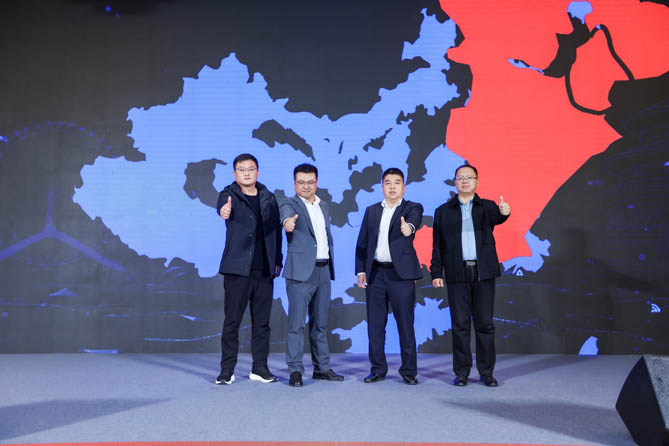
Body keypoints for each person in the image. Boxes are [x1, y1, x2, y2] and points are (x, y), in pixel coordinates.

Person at [430, 164, 510, 387]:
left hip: (483, 272)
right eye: (460, 178)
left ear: (477, 182)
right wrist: (436, 272)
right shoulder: (443, 211)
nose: (464, 181)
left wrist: (505, 211)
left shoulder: (487, 207)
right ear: (455, 182)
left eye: (469, 177)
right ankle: (462, 372)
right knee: (460, 326)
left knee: (485, 324)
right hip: (457, 273)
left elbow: (499, 217)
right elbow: (437, 245)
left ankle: (486, 373)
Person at [215, 153, 283, 385]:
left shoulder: (269, 197)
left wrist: (277, 260)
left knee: (262, 323)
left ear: (257, 172)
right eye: (241, 169)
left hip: (264, 270)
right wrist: (224, 211)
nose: (246, 173)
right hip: (237, 270)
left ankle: (259, 368)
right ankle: (227, 370)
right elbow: (222, 208)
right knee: (232, 322)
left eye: (250, 169)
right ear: (235, 173)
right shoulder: (228, 194)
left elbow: (276, 231)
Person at [355, 168, 423, 385]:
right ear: (382, 186)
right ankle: (377, 369)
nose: (392, 186)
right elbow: (362, 243)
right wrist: (361, 270)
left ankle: (409, 371)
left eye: (397, 182)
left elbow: (414, 221)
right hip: (375, 273)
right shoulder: (372, 210)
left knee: (405, 324)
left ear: (403, 187)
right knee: (375, 325)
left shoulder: (412, 208)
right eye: (388, 182)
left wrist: (409, 228)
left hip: (400, 275)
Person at [280, 163, 344, 387]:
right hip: (300, 273)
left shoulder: (323, 205)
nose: (306, 186)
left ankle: (322, 368)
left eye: (310, 182)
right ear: (294, 183)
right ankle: (295, 370)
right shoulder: (289, 203)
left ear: (316, 183)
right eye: (301, 182)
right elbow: (286, 218)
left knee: (320, 324)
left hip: (323, 270)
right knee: (296, 324)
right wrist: (288, 223)